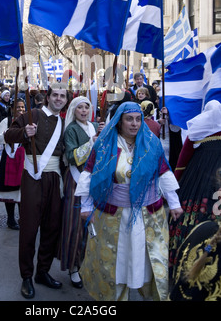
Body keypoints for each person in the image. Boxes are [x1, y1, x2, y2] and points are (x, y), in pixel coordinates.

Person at [74, 101, 183, 301]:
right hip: (114, 216)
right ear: (119, 122)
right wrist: (86, 206)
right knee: (118, 261)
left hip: (147, 215)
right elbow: (89, 174)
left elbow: (164, 172)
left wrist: (174, 202)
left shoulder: (151, 143)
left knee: (146, 259)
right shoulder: (105, 144)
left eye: (138, 119)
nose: (134, 124)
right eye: (129, 119)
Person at [4, 87, 69, 299]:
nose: (59, 99)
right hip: (33, 176)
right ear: (48, 97)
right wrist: (24, 133)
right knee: (29, 228)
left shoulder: (65, 121)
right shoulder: (31, 115)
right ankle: (26, 276)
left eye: (63, 96)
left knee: (52, 228)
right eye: (55, 95)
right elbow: (8, 135)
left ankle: (43, 271)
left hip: (55, 177)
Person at [59, 96, 105, 288]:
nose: (84, 111)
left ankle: (87, 263)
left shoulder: (95, 126)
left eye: (87, 107)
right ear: (73, 111)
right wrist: (92, 142)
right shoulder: (71, 129)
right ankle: (73, 267)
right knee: (75, 224)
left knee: (92, 225)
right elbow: (71, 156)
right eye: (80, 108)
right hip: (76, 181)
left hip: (94, 181)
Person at [169, 100, 221, 267]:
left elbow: (183, 159)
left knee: (192, 214)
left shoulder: (198, 127)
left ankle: (184, 258)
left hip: (197, 177)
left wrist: (176, 183)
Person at [0, 99, 26, 230]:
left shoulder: (28, 121)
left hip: (23, 159)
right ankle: (10, 218)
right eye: (18, 107)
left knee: (22, 190)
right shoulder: (6, 121)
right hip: (9, 158)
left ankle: (23, 217)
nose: (20, 110)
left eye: (23, 107)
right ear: (13, 109)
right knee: (9, 190)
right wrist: (8, 133)